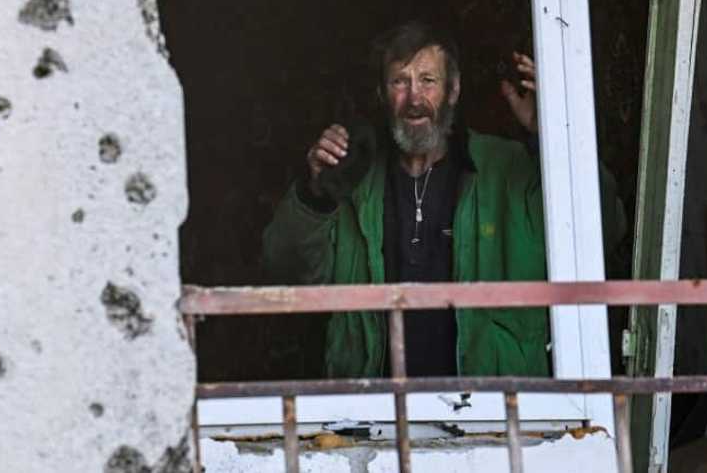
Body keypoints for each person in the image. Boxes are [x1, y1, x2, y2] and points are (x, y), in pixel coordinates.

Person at [262, 21, 622, 378]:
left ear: (453, 90)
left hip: (492, 414)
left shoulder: (510, 169)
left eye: (427, 81)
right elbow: (287, 273)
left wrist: (552, 136)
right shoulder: (356, 178)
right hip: (374, 414)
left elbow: (600, 232)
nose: (414, 99)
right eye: (400, 81)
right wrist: (315, 192)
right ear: (382, 94)